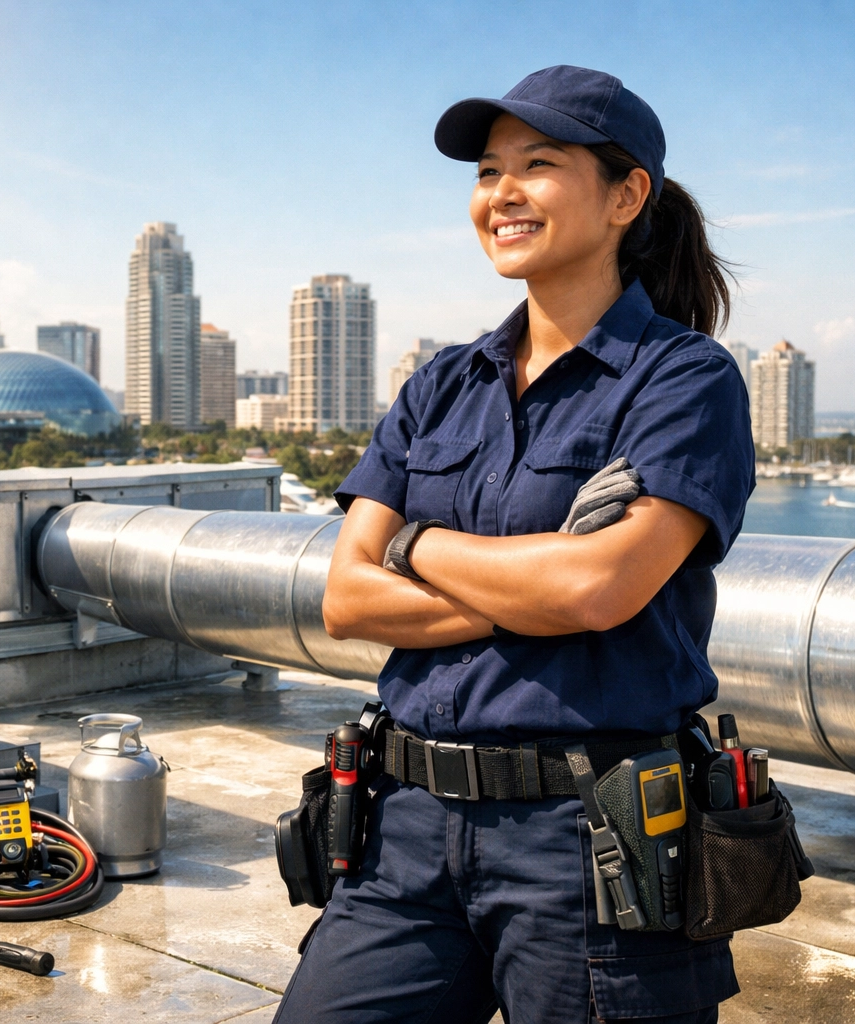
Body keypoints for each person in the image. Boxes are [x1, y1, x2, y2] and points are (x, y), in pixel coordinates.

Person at [272, 67, 755, 1023]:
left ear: (626, 196)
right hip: (403, 827)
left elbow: (595, 591)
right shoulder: (440, 384)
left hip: (590, 837)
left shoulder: (683, 382)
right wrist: (539, 572)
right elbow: (346, 601)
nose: (501, 194)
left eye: (537, 165)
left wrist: (409, 541)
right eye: (489, 171)